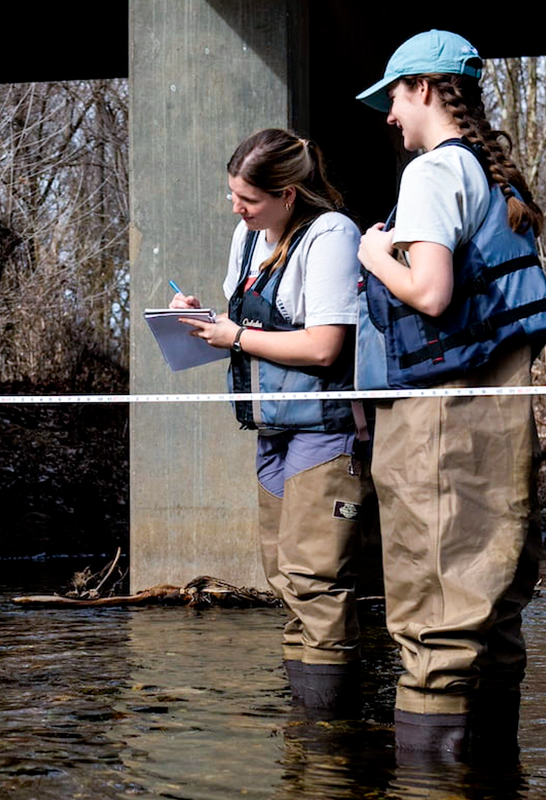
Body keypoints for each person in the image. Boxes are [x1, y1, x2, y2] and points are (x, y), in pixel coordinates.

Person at [356, 30, 543, 757]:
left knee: (434, 610)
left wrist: (374, 251)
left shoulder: (434, 175)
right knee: (489, 607)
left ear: (426, 89)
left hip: (441, 417)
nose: (390, 115)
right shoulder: (500, 179)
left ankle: (429, 778)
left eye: (395, 97)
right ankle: (491, 774)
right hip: (497, 417)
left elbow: (431, 294)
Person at [171, 129, 368, 714]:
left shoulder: (332, 233)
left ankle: (329, 734)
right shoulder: (247, 235)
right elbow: (247, 335)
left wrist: (235, 335)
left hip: (325, 428)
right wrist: (205, 323)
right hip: (272, 428)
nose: (236, 207)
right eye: (233, 194)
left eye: (247, 199)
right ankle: (302, 728)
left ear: (287, 194)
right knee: (284, 578)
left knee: (316, 579)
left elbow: (326, 347)